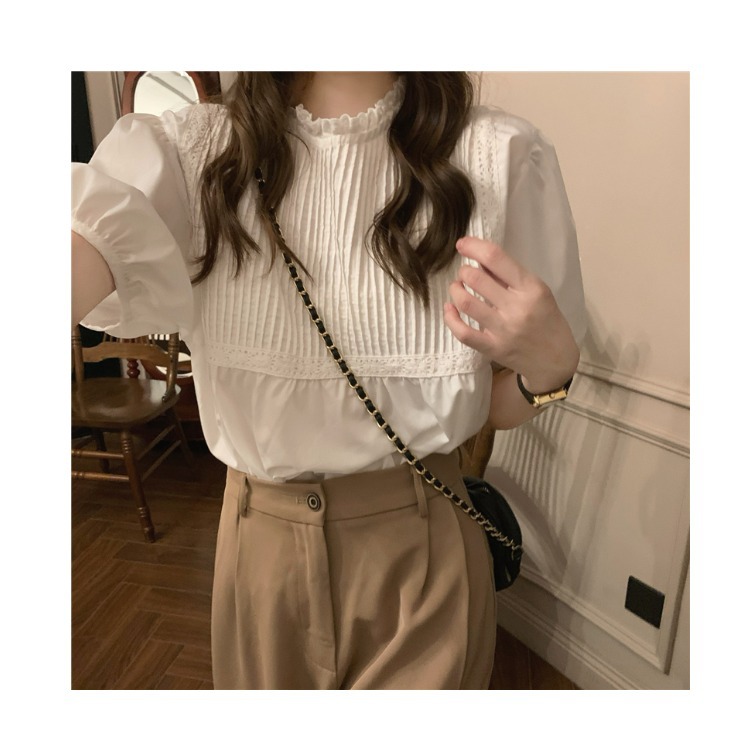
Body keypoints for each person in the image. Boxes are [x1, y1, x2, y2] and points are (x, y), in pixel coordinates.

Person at [72, 71, 585, 689]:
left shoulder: (499, 157)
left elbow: (493, 405)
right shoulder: (189, 154)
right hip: (260, 554)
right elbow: (92, 238)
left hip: (424, 552)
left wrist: (550, 373)